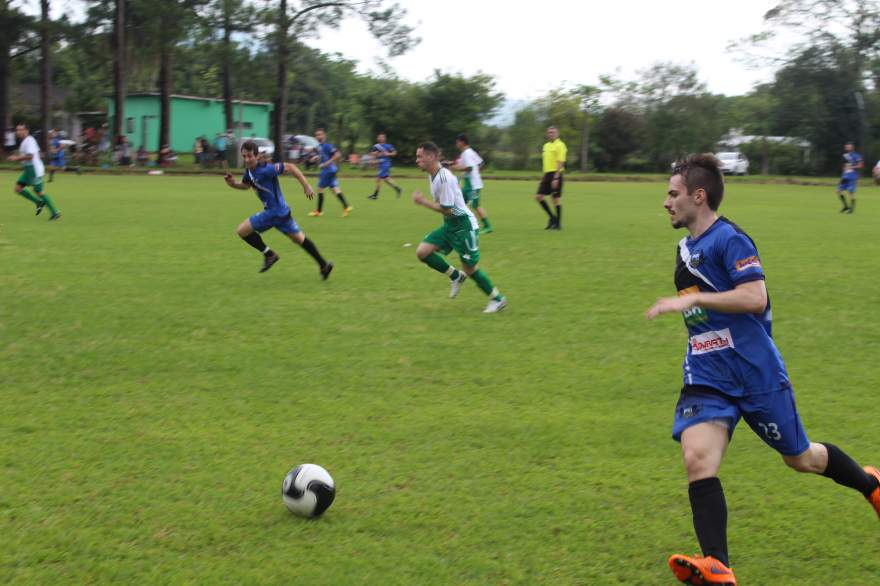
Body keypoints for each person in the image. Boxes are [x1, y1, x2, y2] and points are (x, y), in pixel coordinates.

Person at [645, 153, 879, 585]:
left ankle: (871, 485)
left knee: (802, 458)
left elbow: (755, 298)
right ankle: (718, 566)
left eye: (673, 193)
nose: (667, 202)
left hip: (756, 373)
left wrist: (693, 300)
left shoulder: (730, 239)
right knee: (697, 458)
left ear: (699, 196)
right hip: (707, 373)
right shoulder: (685, 248)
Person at [412, 141, 506, 313]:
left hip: (464, 226)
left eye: (420, 156)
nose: (417, 160)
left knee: (470, 269)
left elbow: (447, 210)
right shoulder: (433, 173)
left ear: (431, 156)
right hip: (450, 225)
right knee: (422, 252)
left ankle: (497, 299)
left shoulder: (444, 178)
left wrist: (423, 202)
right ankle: (455, 276)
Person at [224, 140, 333, 279]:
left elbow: (291, 167)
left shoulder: (266, 169)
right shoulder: (249, 172)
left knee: (242, 230)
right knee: (300, 239)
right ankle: (324, 265)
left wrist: (306, 186)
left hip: (273, 212)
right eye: (244, 156)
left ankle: (269, 254)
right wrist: (232, 184)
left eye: (250, 156)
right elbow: (245, 186)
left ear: (257, 156)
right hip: (283, 212)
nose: (247, 159)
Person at [8, 123, 61, 220]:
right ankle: (38, 202)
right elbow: (36, 154)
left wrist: (17, 158)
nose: (18, 132)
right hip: (28, 170)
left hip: (34, 170)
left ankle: (55, 212)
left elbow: (30, 156)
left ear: (26, 131)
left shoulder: (29, 141)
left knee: (39, 192)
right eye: (17, 130)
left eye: (21, 130)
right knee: (18, 189)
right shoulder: (26, 141)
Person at [451, 133, 492, 234]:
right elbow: (480, 163)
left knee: (475, 205)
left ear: (462, 142)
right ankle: (460, 225)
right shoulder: (470, 152)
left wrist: (457, 168)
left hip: (473, 185)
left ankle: (487, 226)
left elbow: (470, 167)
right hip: (469, 184)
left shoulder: (467, 153)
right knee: (459, 203)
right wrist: (474, 173)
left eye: (457, 141)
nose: (456, 143)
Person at [308, 128, 352, 217]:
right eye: (316, 135)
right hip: (330, 170)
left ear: (324, 135)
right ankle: (346, 206)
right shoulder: (320, 147)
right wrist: (315, 158)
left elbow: (338, 154)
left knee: (320, 189)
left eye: (320, 134)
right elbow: (323, 157)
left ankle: (319, 211)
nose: (318, 136)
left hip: (328, 170)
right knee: (335, 189)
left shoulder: (327, 146)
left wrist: (327, 163)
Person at [534, 126, 566, 230]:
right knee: (538, 196)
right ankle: (552, 218)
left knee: (555, 199)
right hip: (547, 174)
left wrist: (556, 177)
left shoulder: (560, 145)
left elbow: (560, 161)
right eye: (549, 132)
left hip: (556, 173)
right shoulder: (546, 146)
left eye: (553, 132)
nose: (551, 134)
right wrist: (544, 176)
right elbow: (546, 162)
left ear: (557, 134)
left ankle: (558, 224)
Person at [366, 132, 402, 200]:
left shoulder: (388, 146)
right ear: (377, 138)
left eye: (382, 137)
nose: (381, 138)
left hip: (386, 164)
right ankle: (398, 189)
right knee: (386, 179)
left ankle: (375, 195)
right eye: (379, 137)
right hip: (380, 164)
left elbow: (394, 153)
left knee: (378, 178)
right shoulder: (376, 146)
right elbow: (373, 154)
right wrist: (373, 159)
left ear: (385, 138)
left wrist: (388, 154)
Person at [836, 141, 863, 213]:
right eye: (846, 147)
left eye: (849, 147)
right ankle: (845, 206)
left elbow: (861, 165)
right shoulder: (845, 156)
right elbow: (844, 167)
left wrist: (852, 166)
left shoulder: (857, 155)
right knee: (838, 191)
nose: (847, 148)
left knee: (851, 192)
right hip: (845, 176)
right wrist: (842, 176)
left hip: (852, 176)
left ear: (852, 147)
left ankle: (852, 209)